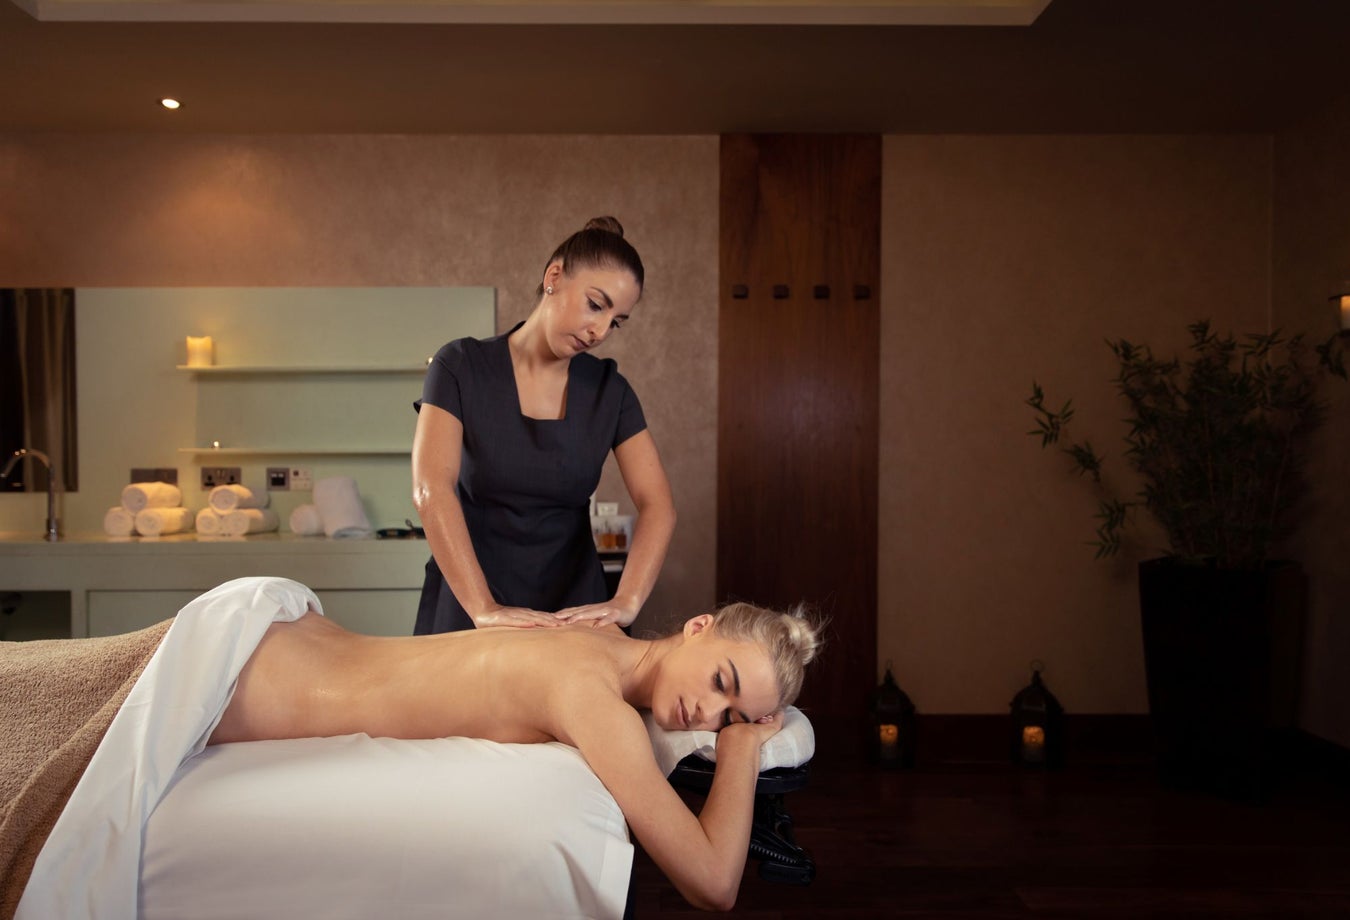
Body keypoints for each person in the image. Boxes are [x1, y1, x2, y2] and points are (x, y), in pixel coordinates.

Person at [208, 598, 821, 912]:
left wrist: (733, 724)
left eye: (731, 720)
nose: (709, 719)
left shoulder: (595, 632)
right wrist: (742, 748)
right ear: (698, 626)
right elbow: (713, 885)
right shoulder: (594, 702)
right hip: (263, 685)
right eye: (721, 682)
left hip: (289, 639)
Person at [411, 216, 676, 633]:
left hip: (571, 612)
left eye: (616, 321)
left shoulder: (610, 390)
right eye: (596, 304)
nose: (600, 330)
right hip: (471, 603)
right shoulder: (460, 366)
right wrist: (485, 608)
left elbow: (658, 503)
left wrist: (627, 600)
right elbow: (431, 488)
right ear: (554, 276)